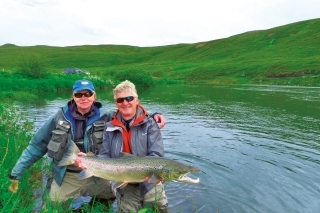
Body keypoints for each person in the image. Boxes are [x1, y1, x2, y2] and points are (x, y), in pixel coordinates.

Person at [8, 79, 166, 210]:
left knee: (111, 196)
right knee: (52, 208)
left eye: (88, 93)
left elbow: (129, 112)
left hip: (99, 173)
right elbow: (36, 146)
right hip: (66, 174)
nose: (84, 97)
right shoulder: (59, 118)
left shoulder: (107, 117)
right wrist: (16, 174)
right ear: (73, 97)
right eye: (79, 94)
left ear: (94, 96)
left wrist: (153, 115)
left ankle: (91, 209)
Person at [99, 80, 168, 213]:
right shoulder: (109, 126)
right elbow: (105, 154)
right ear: (116, 103)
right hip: (124, 184)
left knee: (159, 209)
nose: (125, 103)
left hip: (150, 181)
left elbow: (157, 155)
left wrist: (155, 174)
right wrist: (87, 161)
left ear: (137, 100)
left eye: (129, 98)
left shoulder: (150, 124)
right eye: (120, 100)